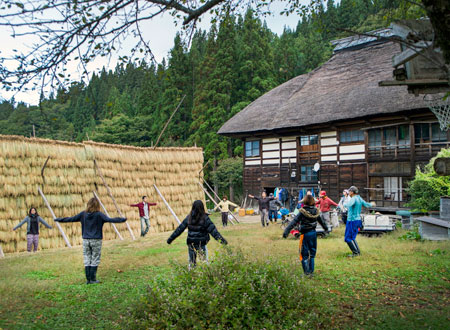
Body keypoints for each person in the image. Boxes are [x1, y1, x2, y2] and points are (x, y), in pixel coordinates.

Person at [55, 198, 127, 284]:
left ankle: (88, 279)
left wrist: (59, 219)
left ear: (88, 205)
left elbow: (71, 219)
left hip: (86, 240)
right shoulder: (99, 215)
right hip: (96, 240)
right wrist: (122, 219)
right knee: (95, 258)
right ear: (97, 206)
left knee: (87, 257)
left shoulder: (83, 214)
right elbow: (110, 220)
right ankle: (93, 279)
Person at [167, 200, 228, 268]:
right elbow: (214, 232)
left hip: (191, 243)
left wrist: (170, 239)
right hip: (201, 244)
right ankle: (205, 276)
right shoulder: (205, 218)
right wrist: (223, 241)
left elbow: (179, 229)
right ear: (202, 207)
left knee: (192, 263)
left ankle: (191, 276)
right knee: (204, 262)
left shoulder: (189, 217)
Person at [282, 195, 328, 276]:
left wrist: (286, 232)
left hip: (305, 235)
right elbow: (322, 221)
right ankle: (311, 271)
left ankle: (306, 273)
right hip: (313, 234)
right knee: (312, 254)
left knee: (304, 254)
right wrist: (326, 229)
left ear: (305, 201)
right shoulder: (316, 211)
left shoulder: (302, 212)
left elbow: (293, 222)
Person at [343, 186, 373, 257]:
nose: (348, 192)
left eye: (349, 191)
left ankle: (355, 253)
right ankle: (357, 252)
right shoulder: (359, 198)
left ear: (352, 192)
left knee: (347, 238)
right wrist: (372, 204)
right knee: (352, 237)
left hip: (352, 220)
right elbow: (366, 204)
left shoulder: (353, 198)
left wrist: (343, 204)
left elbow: (349, 204)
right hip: (358, 220)